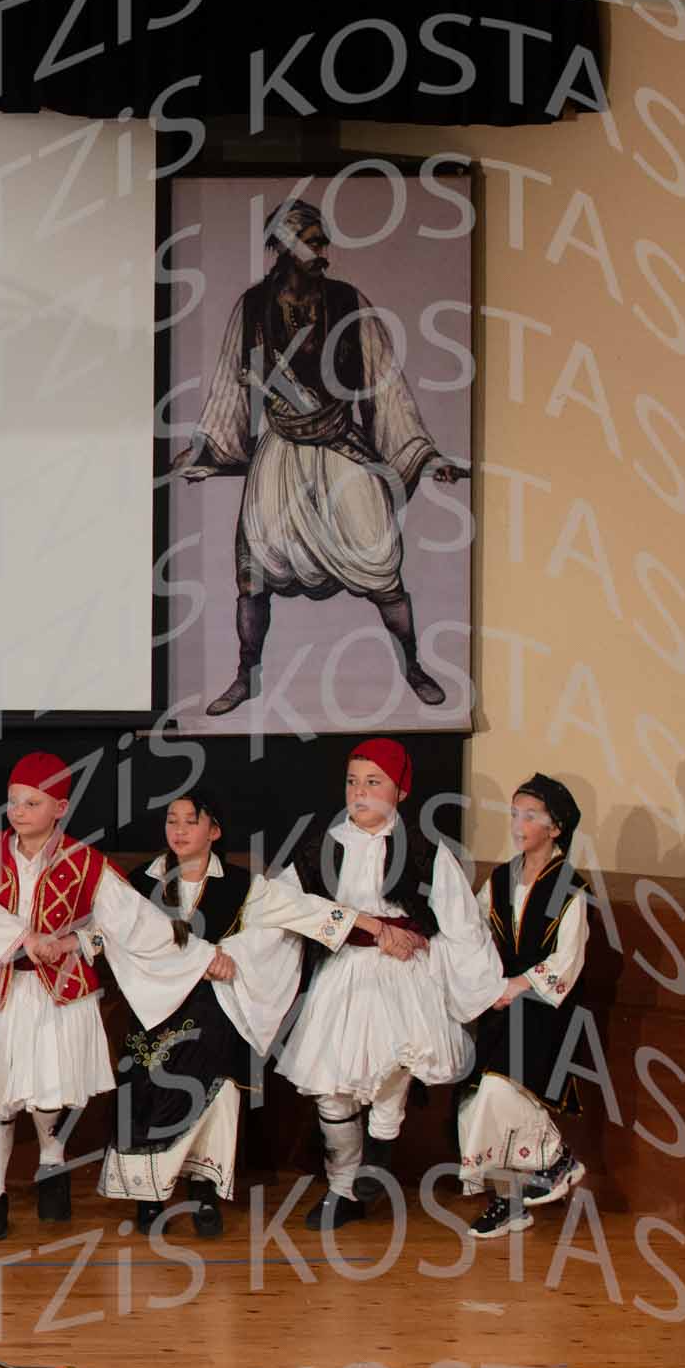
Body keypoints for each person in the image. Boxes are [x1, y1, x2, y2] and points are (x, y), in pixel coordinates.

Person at [167, 195, 470, 715]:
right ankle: (245, 676)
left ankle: (413, 666)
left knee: (381, 562)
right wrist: (208, 449)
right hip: (280, 453)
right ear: (285, 246)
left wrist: (424, 455)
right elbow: (229, 389)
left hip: (340, 447)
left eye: (322, 241)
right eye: (312, 242)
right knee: (254, 573)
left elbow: (386, 386)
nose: (323, 251)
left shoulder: (349, 302)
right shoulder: (253, 307)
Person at [0, 753, 228, 1242]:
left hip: (58, 992)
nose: (19, 811)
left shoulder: (85, 861)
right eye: (14, 801)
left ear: (59, 807)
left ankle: (51, 1163)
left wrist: (78, 942)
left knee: (48, 1091)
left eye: (32, 802)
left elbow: (127, 922)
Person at [96, 794, 352, 1235]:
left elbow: (301, 911)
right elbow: (119, 935)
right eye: (172, 821)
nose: (179, 830)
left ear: (213, 831)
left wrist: (371, 925)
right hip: (154, 1012)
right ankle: (149, 1197)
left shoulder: (241, 885)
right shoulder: (141, 882)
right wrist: (200, 958)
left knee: (217, 1099)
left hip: (215, 1013)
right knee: (148, 1098)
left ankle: (204, 1192)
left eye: (190, 822)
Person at [271, 738, 500, 1229]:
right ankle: (342, 1187)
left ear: (400, 791)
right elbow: (281, 903)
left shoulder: (424, 851)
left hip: (403, 974)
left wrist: (453, 964)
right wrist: (368, 927)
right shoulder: (323, 847)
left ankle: (380, 1147)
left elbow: (461, 922)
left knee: (396, 1061)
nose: (360, 792)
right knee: (331, 1085)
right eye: (352, 781)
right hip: (345, 973)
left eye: (373, 782)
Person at [456, 773, 593, 1237]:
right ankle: (508, 1201)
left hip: (544, 1011)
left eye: (531, 816)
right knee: (478, 1100)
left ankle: (555, 1157)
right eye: (515, 814)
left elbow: (567, 960)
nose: (519, 824)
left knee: (501, 1089)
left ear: (556, 827)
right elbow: (476, 937)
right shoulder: (499, 880)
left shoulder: (570, 887)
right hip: (499, 1005)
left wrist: (516, 986)